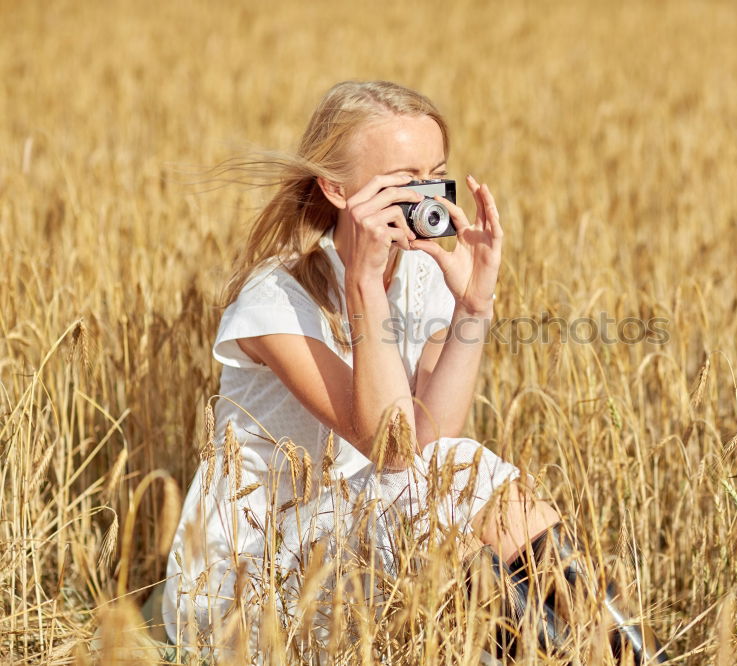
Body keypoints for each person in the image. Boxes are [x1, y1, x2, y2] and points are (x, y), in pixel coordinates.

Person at [160, 80, 664, 663]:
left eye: (436, 173)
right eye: (402, 180)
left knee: (458, 472)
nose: (426, 195)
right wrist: (364, 292)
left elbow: (432, 444)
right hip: (248, 583)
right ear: (337, 189)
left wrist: (475, 306)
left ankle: (633, 659)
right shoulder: (276, 297)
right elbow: (392, 449)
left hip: (366, 539)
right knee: (457, 477)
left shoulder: (421, 275)